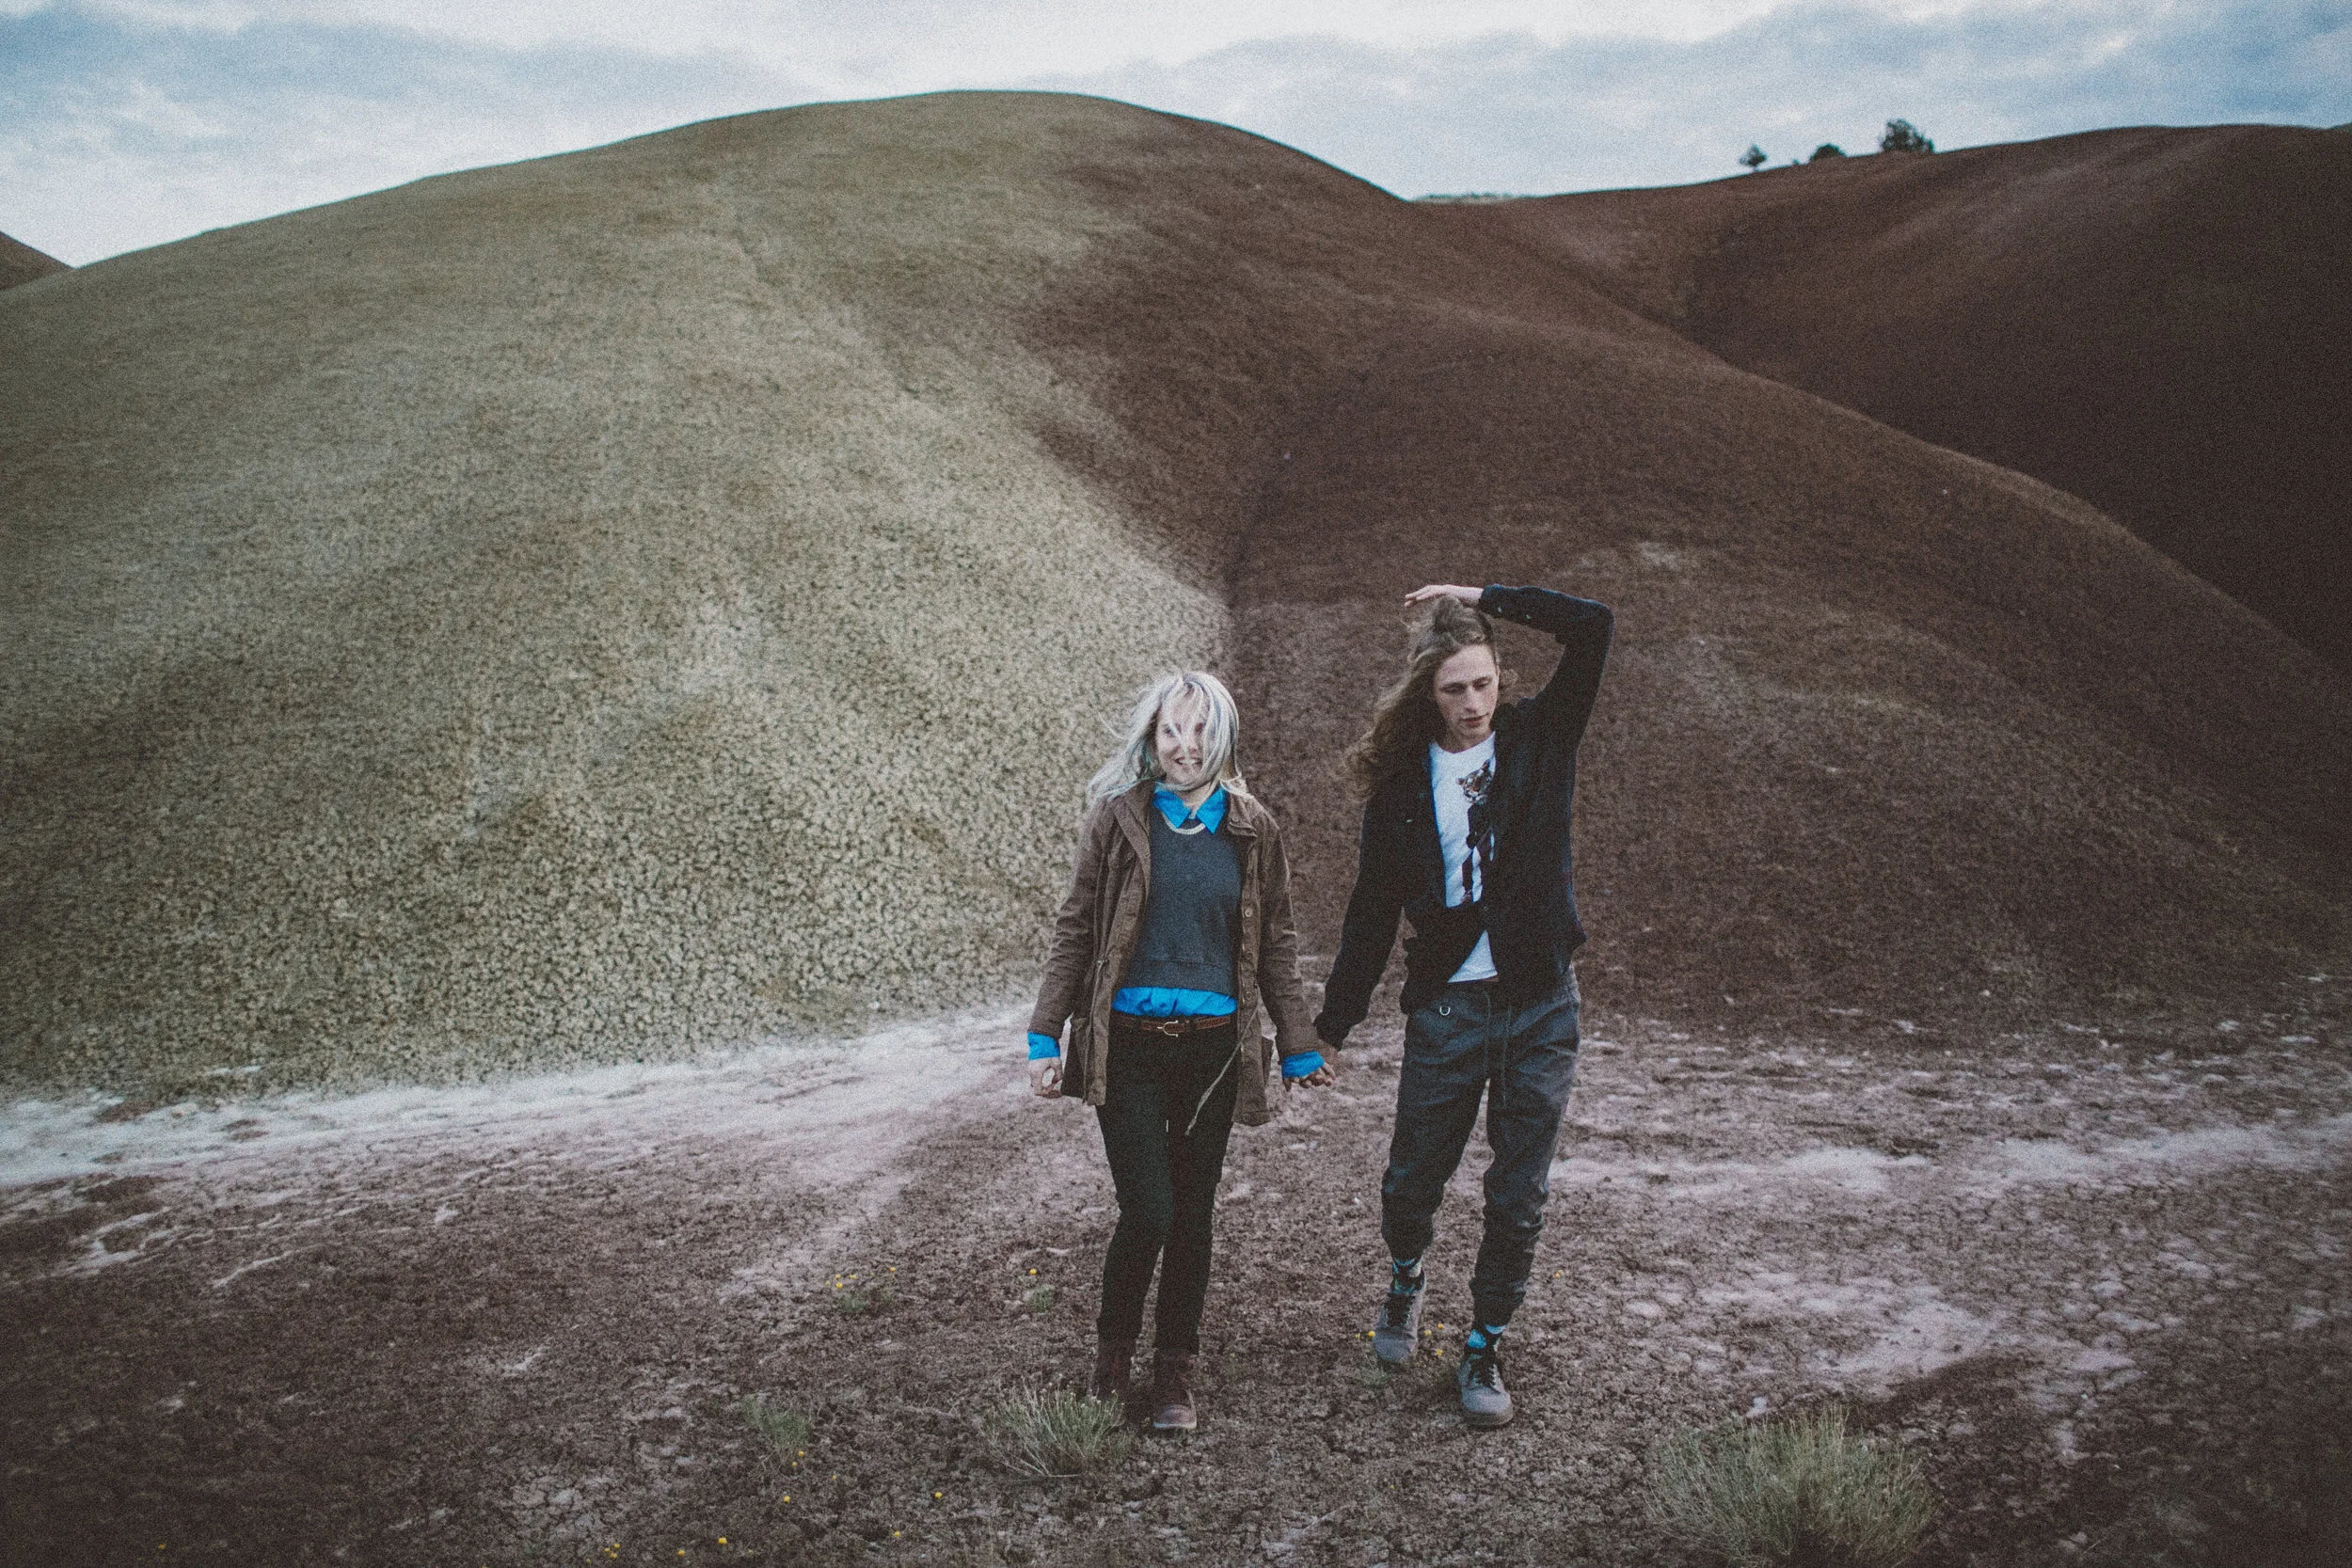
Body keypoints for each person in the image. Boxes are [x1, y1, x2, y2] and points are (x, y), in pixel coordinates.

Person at [1314, 581, 1613, 1428]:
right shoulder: (1403, 786)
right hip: (1447, 1010)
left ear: (1500, 678)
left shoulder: (1541, 739)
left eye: (1484, 682)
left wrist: (1481, 595)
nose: (1475, 703)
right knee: (1411, 1183)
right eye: (1455, 689)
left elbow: (1594, 627)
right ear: (1429, 693)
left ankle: (1484, 1343)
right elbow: (1371, 915)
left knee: (1518, 1194)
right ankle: (1406, 1275)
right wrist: (1330, 1029)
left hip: (1541, 1007)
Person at [1027, 671, 1334, 1433]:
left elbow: (1276, 940)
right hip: (1128, 1048)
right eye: (1171, 729)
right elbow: (1075, 927)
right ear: (1151, 737)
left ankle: (1173, 1372)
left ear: (1223, 737)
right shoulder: (1118, 819)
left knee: (1192, 1214)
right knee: (1149, 1207)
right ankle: (1110, 1361)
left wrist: (1298, 1044)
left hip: (1213, 1054)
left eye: (1200, 730)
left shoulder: (1254, 828)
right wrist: (1044, 1032)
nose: (1185, 745)